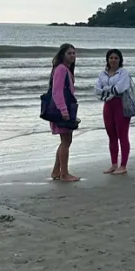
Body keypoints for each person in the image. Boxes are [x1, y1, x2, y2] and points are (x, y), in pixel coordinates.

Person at [95, 49, 133, 175]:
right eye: (111, 57)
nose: (113, 60)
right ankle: (114, 164)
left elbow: (120, 88)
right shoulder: (103, 74)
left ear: (120, 60)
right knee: (111, 135)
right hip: (107, 106)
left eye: (116, 58)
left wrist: (106, 90)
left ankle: (123, 165)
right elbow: (97, 90)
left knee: (122, 135)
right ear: (107, 59)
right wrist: (109, 90)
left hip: (121, 105)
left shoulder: (124, 73)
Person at [49, 43, 81, 182]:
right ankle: (64, 174)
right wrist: (63, 110)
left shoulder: (65, 69)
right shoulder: (61, 69)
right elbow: (57, 91)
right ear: (63, 54)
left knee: (65, 141)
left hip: (66, 108)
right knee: (66, 141)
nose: (72, 56)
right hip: (62, 110)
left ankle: (57, 171)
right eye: (69, 53)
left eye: (74, 53)